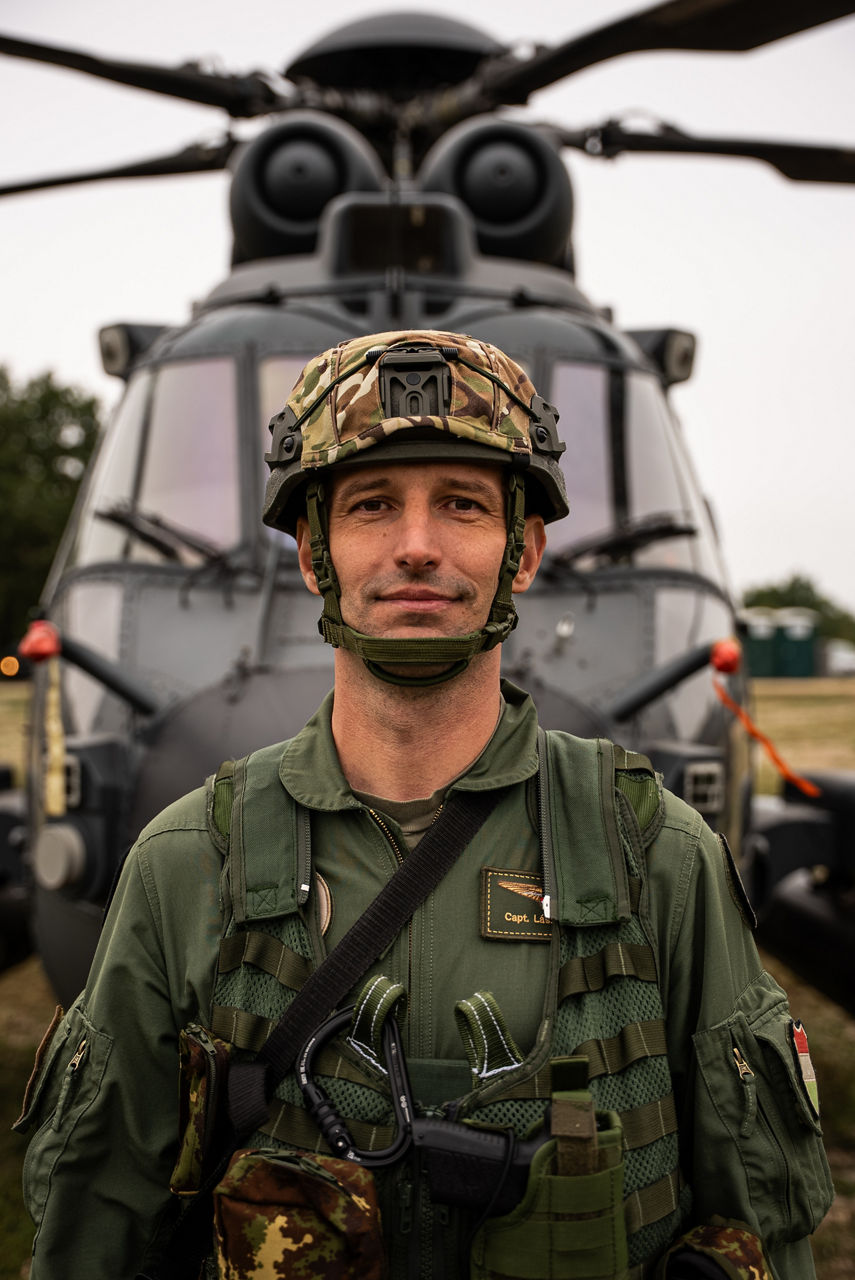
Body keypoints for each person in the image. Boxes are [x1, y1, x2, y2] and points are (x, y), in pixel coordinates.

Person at [17, 330, 832, 1279]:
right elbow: (94, 1225)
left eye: (462, 505)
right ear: (313, 555)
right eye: (370, 506)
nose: (416, 547)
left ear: (522, 551)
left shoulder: (657, 856)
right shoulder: (187, 862)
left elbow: (762, 1222)